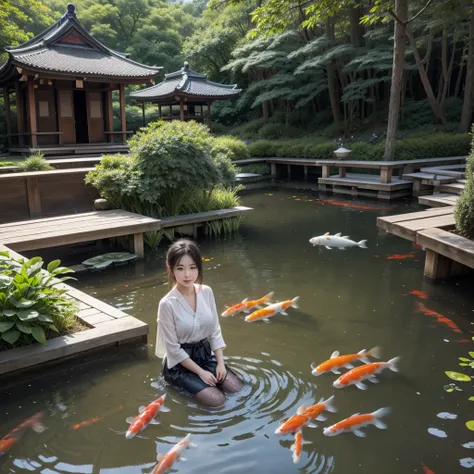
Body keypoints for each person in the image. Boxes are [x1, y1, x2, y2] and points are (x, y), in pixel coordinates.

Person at [155, 238, 243, 407]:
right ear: (171, 270)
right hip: (179, 366)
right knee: (217, 401)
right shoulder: (167, 304)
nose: (187, 274)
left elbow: (214, 331)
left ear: (199, 267)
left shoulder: (206, 292)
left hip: (205, 356)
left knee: (238, 389)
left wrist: (221, 364)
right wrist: (201, 373)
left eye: (192, 267)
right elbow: (173, 349)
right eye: (180, 268)